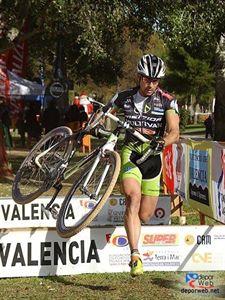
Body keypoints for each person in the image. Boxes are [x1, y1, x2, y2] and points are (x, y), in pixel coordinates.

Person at [104, 54, 180, 276]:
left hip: (153, 158)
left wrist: (163, 140)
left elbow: (175, 131)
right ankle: (135, 255)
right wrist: (99, 126)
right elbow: (104, 114)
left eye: (155, 80)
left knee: (145, 215)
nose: (151, 84)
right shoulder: (124, 97)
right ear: (139, 77)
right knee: (132, 197)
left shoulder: (167, 100)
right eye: (147, 79)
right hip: (130, 153)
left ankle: (133, 227)